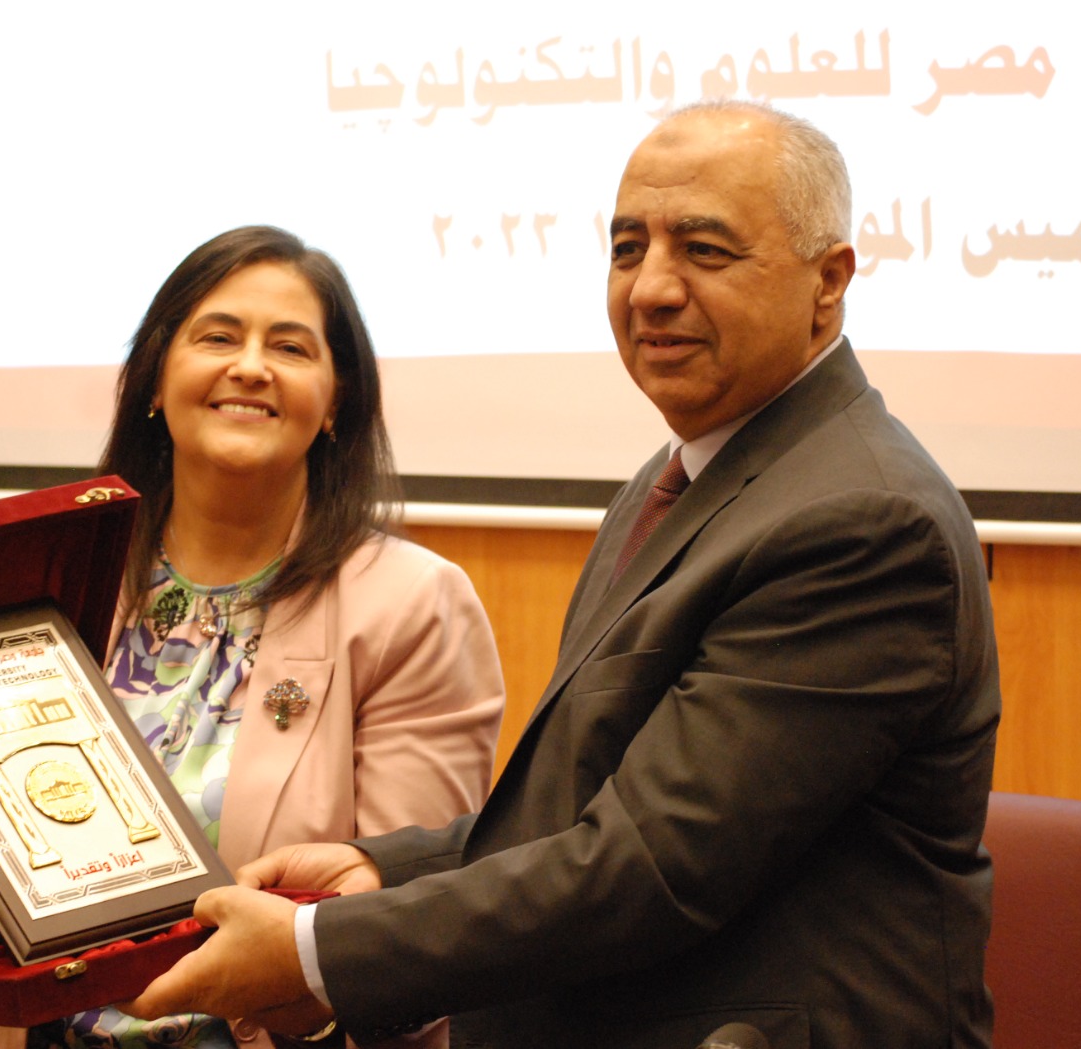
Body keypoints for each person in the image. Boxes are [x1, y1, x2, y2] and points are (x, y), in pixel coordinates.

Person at [113, 102, 1001, 1049]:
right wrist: (383, 872)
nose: (651, 289)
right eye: (627, 249)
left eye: (703, 250)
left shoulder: (861, 520)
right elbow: (576, 809)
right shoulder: (682, 481)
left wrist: (315, 950)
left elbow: (651, 865)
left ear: (829, 282)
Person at [8, 226, 504, 1049]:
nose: (250, 366)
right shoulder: (56, 581)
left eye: (290, 347)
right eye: (217, 337)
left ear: (336, 400)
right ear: (154, 380)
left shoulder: (412, 605)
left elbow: (409, 931)